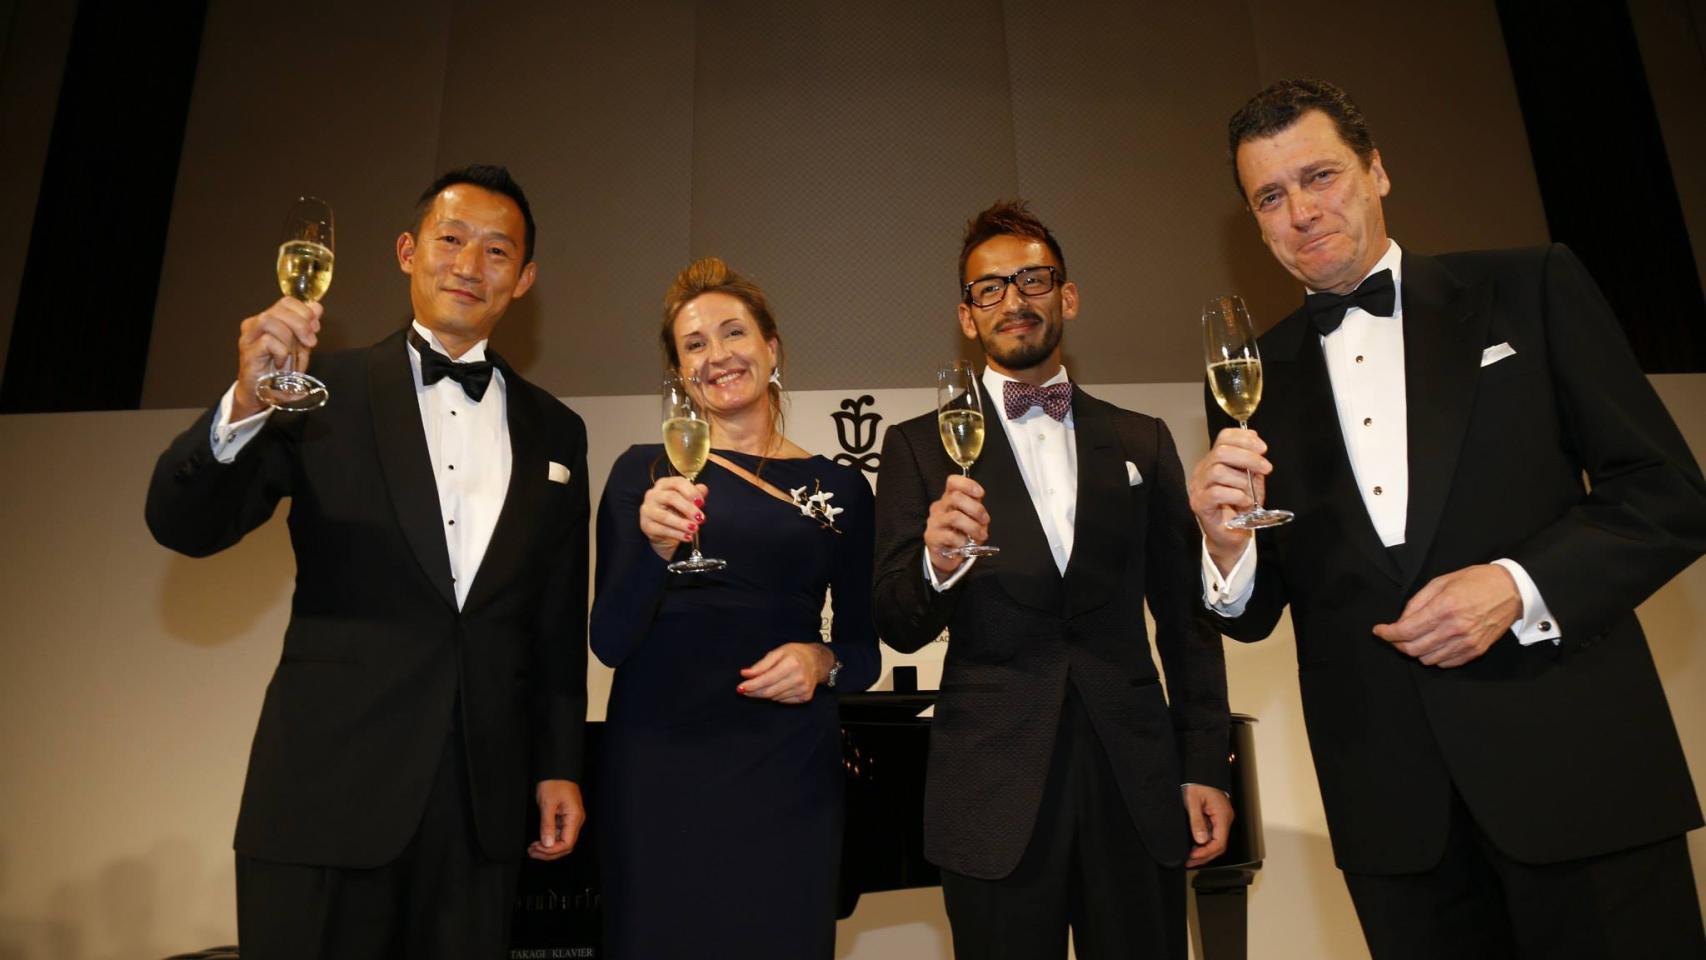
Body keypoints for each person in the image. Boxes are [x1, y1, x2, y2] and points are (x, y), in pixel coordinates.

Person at [1189, 78, 1706, 958]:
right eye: (1270, 197)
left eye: (1320, 177)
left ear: (1378, 171)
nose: (1301, 212)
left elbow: (1666, 493)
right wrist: (1225, 548)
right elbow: (1262, 607)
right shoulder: (1249, 374)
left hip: (1578, 770)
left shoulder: (1530, 285)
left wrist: (1518, 586)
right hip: (1394, 818)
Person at [146, 165, 589, 959]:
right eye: (450, 240)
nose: (468, 263)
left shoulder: (558, 432)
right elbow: (185, 524)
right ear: (406, 251)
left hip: (480, 811)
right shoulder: (321, 391)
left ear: (523, 280)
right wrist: (245, 403)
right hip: (326, 790)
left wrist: (559, 766)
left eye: (496, 251)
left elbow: (554, 620)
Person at [871, 202, 1233, 959]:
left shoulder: (1144, 440)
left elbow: (1186, 617)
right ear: (967, 317)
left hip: (1135, 781)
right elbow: (898, 623)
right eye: (990, 288)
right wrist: (937, 567)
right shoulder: (916, 449)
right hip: (992, 787)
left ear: (1066, 296)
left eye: (1033, 278)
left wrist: (1206, 764)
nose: (1014, 299)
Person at [588, 256, 879, 959]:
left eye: (732, 332)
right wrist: (654, 550)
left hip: (787, 773)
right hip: (659, 769)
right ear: (678, 373)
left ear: (771, 347)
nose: (717, 355)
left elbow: (865, 652)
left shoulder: (839, 487)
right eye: (694, 344)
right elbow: (609, 640)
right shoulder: (642, 471)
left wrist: (821, 658)